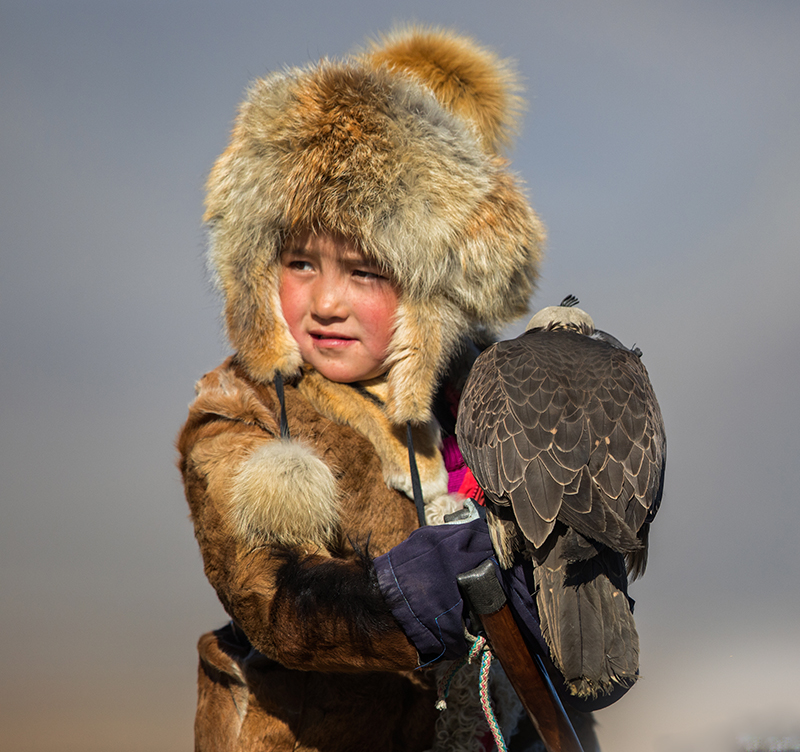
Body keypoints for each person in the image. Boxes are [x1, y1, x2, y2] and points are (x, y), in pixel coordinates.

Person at [177, 26, 602, 751]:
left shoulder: (483, 393)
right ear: (255, 266)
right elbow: (273, 601)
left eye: (366, 271)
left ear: (427, 291)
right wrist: (392, 598)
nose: (326, 302)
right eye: (300, 263)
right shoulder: (239, 413)